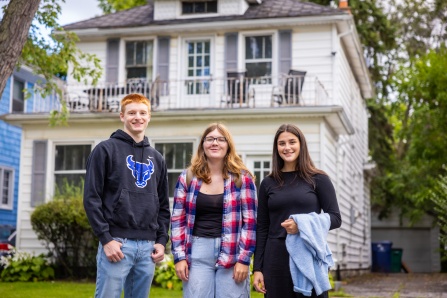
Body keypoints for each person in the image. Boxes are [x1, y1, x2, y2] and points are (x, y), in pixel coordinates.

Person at [83, 93, 170, 298]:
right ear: (122, 116)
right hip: (117, 243)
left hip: (148, 247)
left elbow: (163, 205)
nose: (137, 117)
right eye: (131, 112)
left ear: (149, 117)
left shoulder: (157, 159)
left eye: (142, 113)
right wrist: (106, 239)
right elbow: (91, 198)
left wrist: (161, 240)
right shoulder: (105, 150)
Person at [253, 124, 342, 298]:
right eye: (281, 143)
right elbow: (262, 227)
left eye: (292, 142)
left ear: (301, 144)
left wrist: (301, 225)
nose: (287, 147)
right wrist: (257, 268)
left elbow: (335, 217)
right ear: (276, 148)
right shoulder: (268, 183)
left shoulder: (318, 179)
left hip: (308, 253)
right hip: (276, 258)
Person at [171, 122, 257, 298]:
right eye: (210, 139)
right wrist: (179, 258)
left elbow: (250, 222)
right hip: (198, 253)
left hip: (232, 253)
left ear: (228, 145)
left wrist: (243, 259)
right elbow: (177, 220)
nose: (215, 143)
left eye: (220, 139)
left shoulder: (242, 179)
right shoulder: (187, 178)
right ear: (203, 144)